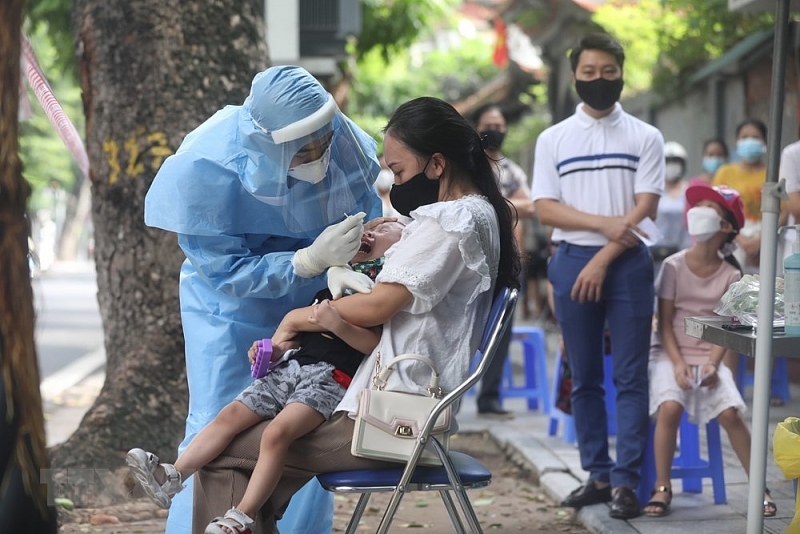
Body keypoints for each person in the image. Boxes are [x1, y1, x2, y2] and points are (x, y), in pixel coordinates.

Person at [189, 96, 521, 533]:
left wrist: (297, 318)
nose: (394, 183)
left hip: (392, 414)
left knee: (221, 454)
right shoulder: (476, 214)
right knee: (254, 463)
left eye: (399, 170)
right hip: (396, 402)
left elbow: (377, 305)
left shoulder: (450, 220)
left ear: (437, 164)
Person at [143, 65, 383, 534]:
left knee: (302, 433)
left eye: (322, 141)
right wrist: (305, 260)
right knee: (222, 417)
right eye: (303, 148)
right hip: (227, 308)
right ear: (265, 140)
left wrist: (345, 264)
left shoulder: (344, 143)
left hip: (320, 306)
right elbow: (224, 272)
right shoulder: (203, 168)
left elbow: (367, 227)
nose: (318, 154)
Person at [126, 221, 404, 531]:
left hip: (328, 380)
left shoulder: (378, 296)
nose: (371, 231)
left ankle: (241, 516)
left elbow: (374, 346)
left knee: (276, 434)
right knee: (228, 415)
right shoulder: (332, 287)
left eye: (385, 232)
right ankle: (172, 477)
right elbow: (299, 338)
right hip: (290, 369)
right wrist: (273, 351)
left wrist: (337, 325)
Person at [531, 33, 664, 520]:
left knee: (631, 376)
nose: (599, 80)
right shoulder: (553, 139)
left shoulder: (646, 136)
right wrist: (603, 228)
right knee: (583, 375)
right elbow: (546, 209)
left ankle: (628, 481)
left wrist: (604, 254)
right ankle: (598, 474)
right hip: (571, 261)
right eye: (589, 73)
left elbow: (646, 205)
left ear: (621, 73)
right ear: (575, 76)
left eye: (609, 72)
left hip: (626, 263)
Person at [643, 183, 776, 518]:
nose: (698, 211)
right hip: (669, 353)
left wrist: (715, 365)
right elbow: (666, 321)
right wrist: (676, 364)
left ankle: (759, 487)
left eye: (710, 208)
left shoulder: (732, 274)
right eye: (698, 205)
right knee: (670, 407)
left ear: (727, 227)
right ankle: (662, 486)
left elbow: (726, 328)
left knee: (731, 413)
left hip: (711, 355)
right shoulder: (672, 266)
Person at [471, 103, 535, 419]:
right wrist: (509, 206)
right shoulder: (469, 164)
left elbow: (532, 205)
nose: (494, 129)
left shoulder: (510, 170)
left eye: (499, 123)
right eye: (488, 123)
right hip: (471, 261)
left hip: (506, 262)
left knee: (500, 329)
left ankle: (489, 398)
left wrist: (498, 205)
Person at [712, 119, 768, 274]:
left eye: (756, 137)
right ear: (737, 142)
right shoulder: (725, 172)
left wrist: (761, 240)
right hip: (733, 238)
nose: (749, 141)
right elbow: (716, 208)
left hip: (767, 238)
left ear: (765, 142)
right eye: (744, 137)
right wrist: (739, 239)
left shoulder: (773, 173)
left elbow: (784, 210)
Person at [651, 141, 691, 269]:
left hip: (683, 252)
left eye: (676, 162)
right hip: (655, 254)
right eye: (667, 162)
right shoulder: (653, 192)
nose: (672, 166)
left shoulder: (689, 191)